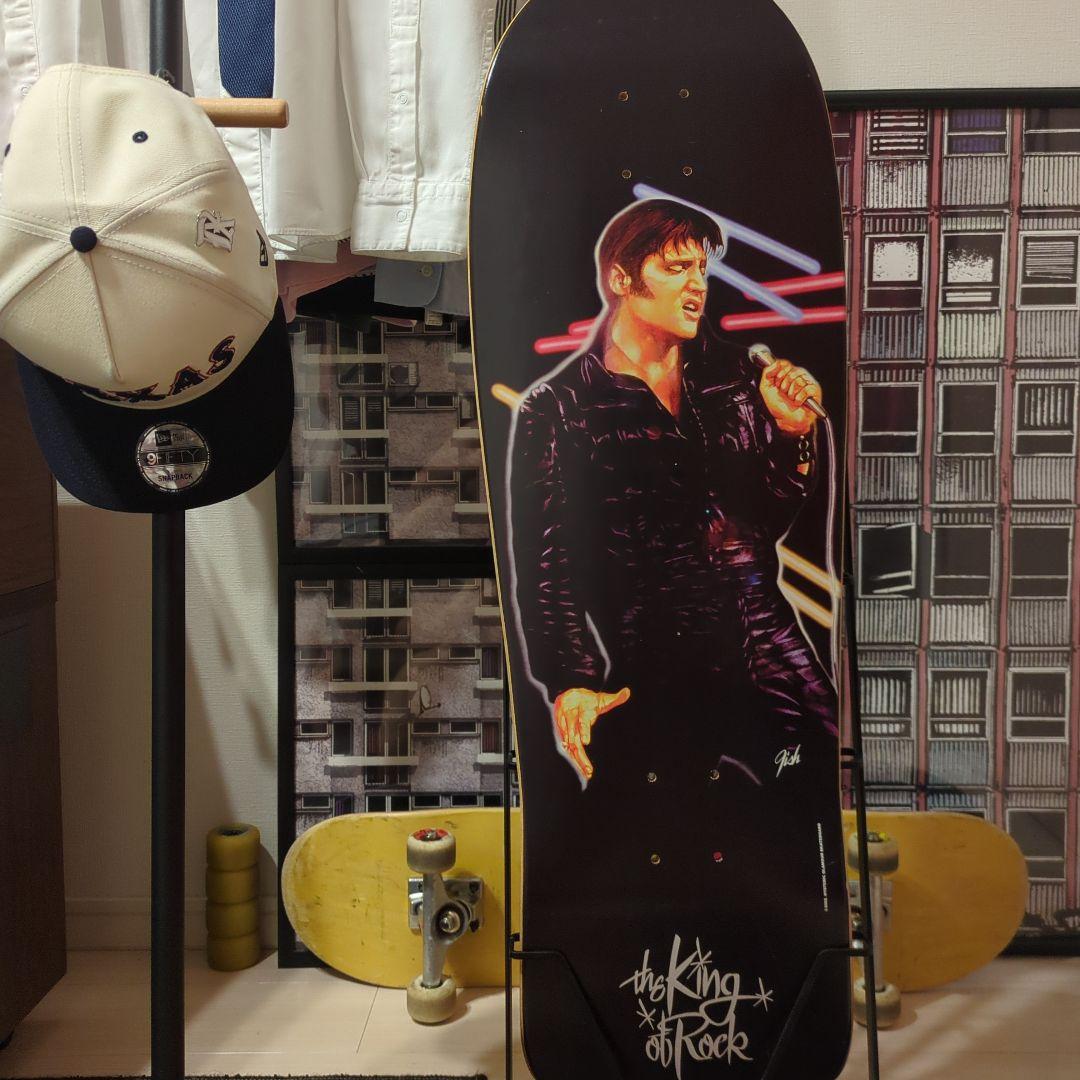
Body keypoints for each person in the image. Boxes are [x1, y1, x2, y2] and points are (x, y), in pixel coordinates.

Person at [508, 198, 836, 790]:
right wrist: (571, 679)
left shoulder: (737, 379)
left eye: (702, 270)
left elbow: (767, 517)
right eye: (676, 267)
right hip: (658, 668)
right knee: (668, 825)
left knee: (813, 801)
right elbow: (546, 561)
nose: (697, 286)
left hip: (771, 648)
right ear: (621, 279)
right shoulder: (559, 408)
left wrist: (791, 433)